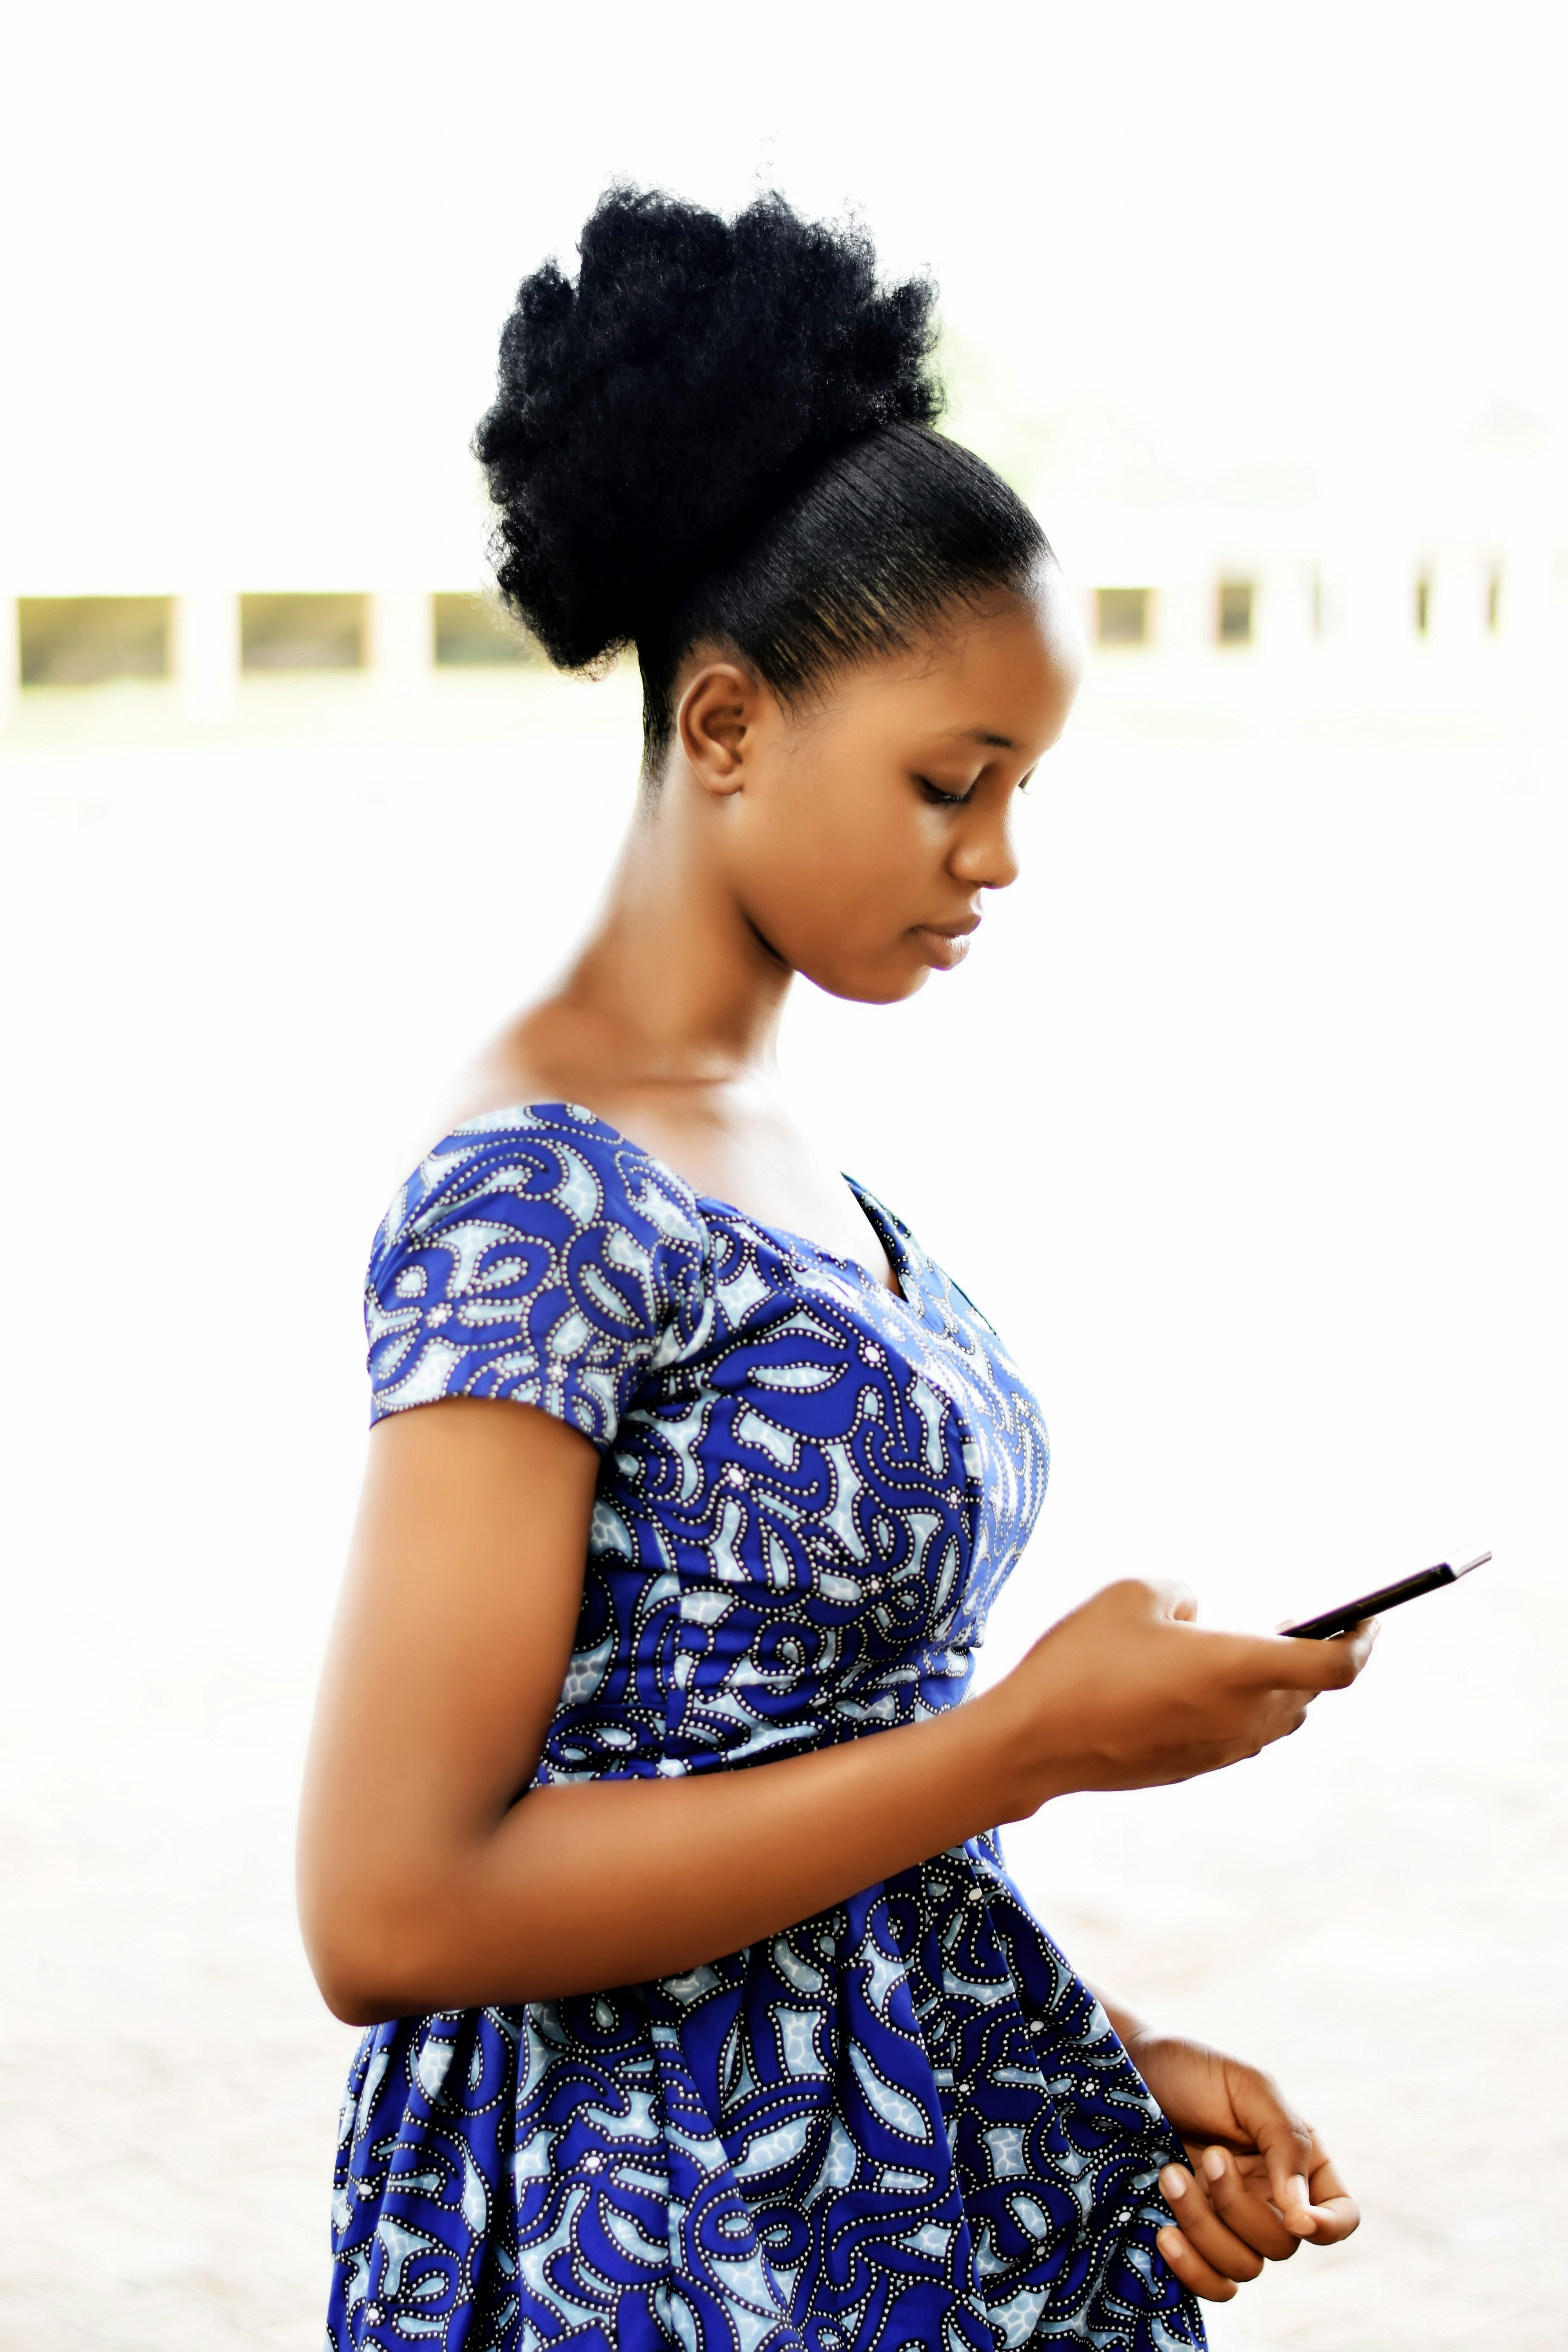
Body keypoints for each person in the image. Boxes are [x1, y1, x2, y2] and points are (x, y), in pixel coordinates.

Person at [298, 187, 1372, 2352]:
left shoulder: (787, 1157)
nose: (995, 861)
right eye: (951, 786)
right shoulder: (541, 1191)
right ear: (723, 725)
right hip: (651, 2255)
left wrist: (1076, 2063)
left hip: (893, 2182)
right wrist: (1030, 1744)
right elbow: (393, 1908)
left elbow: (783, 1771)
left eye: (1023, 790)